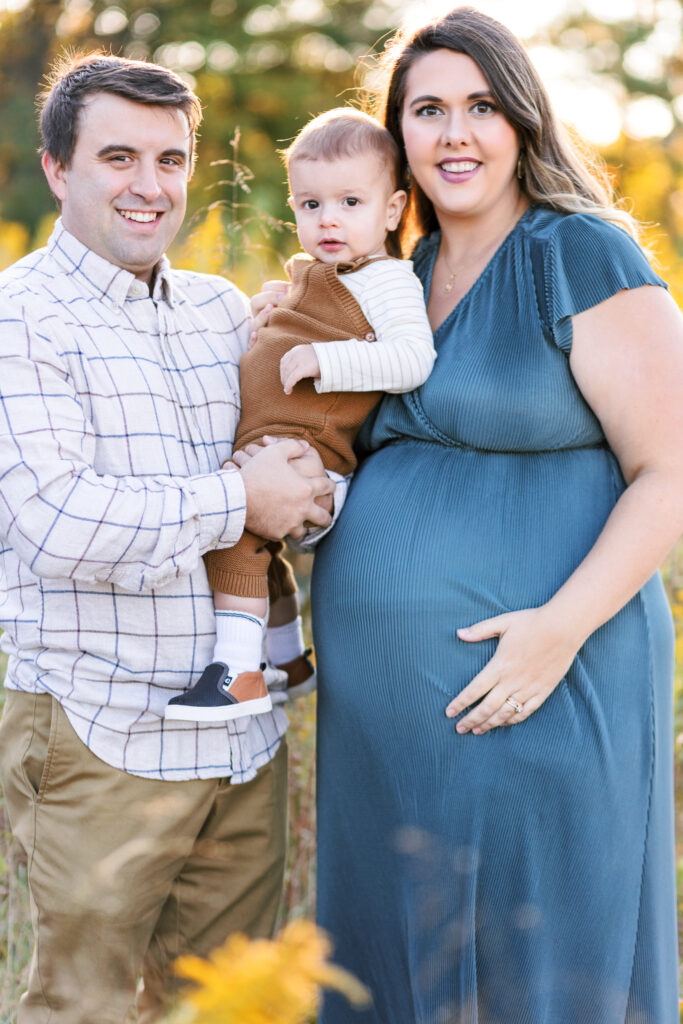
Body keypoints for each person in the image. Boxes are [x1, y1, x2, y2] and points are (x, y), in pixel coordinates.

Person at [298, 7, 682, 1023]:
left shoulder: (580, 253)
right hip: (383, 727)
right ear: (395, 137)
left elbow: (668, 470)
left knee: (538, 949)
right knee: (396, 952)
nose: (454, 133)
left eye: (479, 106)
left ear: (521, 120)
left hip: (548, 674)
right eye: (426, 109)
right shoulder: (392, 281)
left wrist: (556, 632)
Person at [0, 53, 337, 1024]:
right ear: (58, 169)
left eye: (171, 158)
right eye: (118, 157)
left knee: (229, 1006)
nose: (150, 186)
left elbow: (288, 469)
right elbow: (56, 520)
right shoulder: (23, 317)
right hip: (102, 732)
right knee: (85, 1008)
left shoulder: (220, 313)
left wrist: (309, 494)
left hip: (242, 742)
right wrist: (241, 498)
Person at [165, 108, 436, 723]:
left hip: (308, 450)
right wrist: (271, 315)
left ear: (391, 212)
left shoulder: (389, 280)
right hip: (282, 440)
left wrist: (325, 359)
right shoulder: (324, 275)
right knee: (264, 553)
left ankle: (239, 675)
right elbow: (302, 321)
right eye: (310, 205)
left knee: (233, 537)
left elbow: (412, 359)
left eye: (349, 202)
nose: (328, 219)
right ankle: (287, 663)